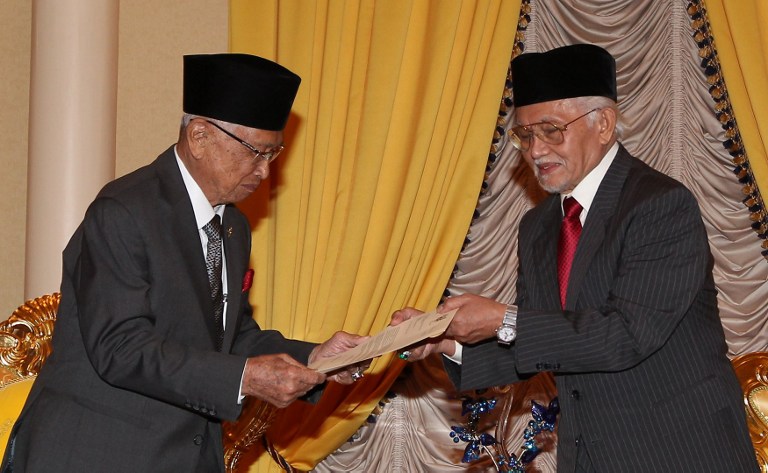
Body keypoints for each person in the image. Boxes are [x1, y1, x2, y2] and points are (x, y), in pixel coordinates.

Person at [393, 44, 759, 472]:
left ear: (603, 124)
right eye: (525, 136)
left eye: (551, 130)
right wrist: (448, 343)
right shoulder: (538, 226)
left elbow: (625, 335)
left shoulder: (660, 205)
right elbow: (542, 342)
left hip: (678, 454)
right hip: (589, 458)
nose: (535, 150)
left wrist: (502, 318)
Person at [2, 53, 368, 473]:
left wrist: (316, 357)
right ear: (199, 137)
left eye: (274, 153)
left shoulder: (232, 226)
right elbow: (121, 348)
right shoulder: (124, 211)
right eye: (256, 153)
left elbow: (229, 338)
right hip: (98, 454)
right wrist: (245, 378)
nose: (265, 172)